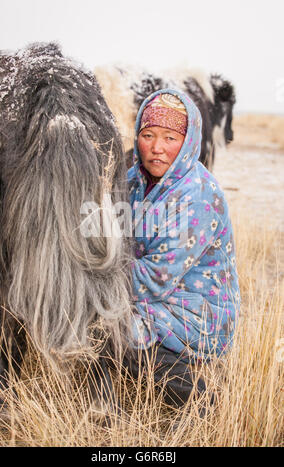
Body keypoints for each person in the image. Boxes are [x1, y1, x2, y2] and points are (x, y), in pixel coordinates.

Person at [124, 89, 240, 407]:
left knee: (117, 331)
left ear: (188, 142)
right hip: (157, 299)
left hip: (199, 314)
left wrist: (92, 276)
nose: (156, 148)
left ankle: (198, 400)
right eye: (148, 135)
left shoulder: (198, 195)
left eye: (170, 138)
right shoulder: (134, 180)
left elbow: (154, 279)